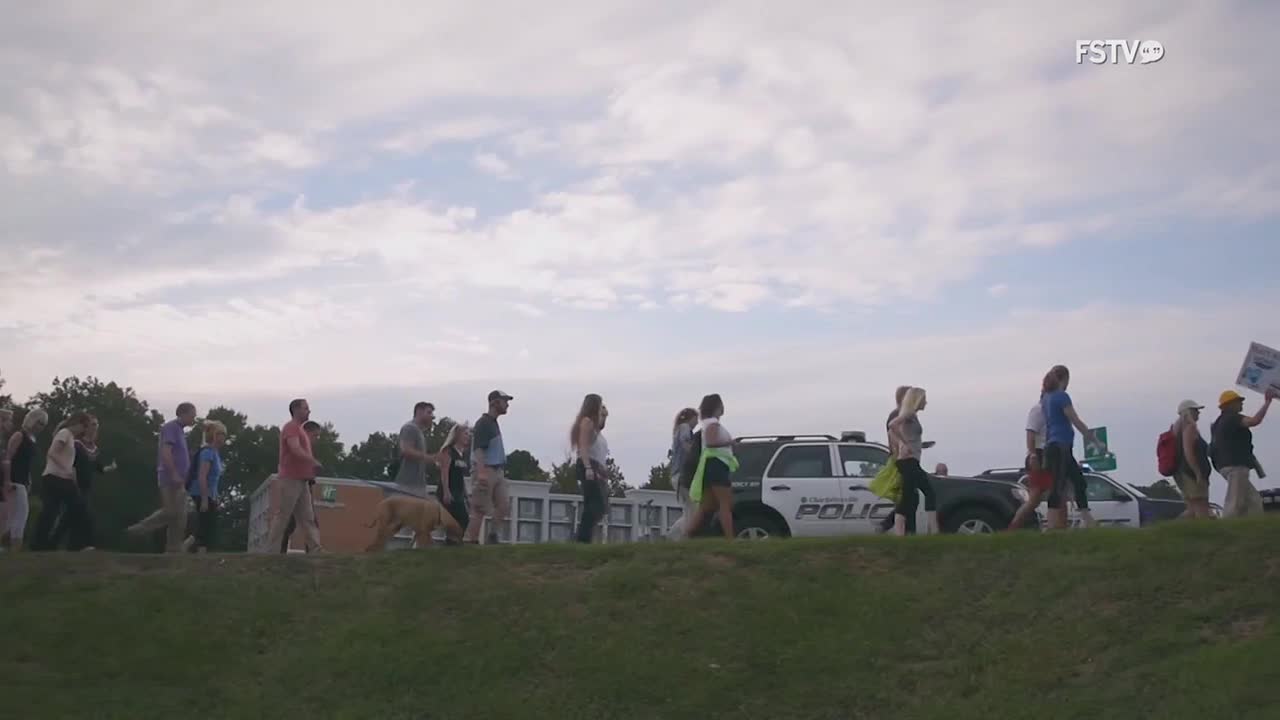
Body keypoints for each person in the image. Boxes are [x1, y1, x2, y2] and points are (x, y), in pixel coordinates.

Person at [127, 402, 198, 552]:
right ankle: (140, 528)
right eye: (192, 415)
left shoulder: (180, 431)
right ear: (183, 414)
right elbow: (166, 453)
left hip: (180, 479)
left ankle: (173, 549)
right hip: (169, 477)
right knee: (172, 512)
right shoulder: (171, 428)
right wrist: (174, 473)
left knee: (179, 516)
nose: (194, 419)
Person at [1040, 365, 1102, 530]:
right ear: (1065, 379)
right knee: (1057, 486)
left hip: (1058, 447)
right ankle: (1050, 527)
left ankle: (1088, 521)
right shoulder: (1061, 396)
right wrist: (1095, 440)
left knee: (1079, 481)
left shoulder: (1045, 398)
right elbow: (1075, 420)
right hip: (1060, 446)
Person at [265, 399, 324, 553]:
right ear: (296, 410)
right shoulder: (291, 428)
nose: (309, 411)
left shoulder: (300, 430)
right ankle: (272, 550)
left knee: (307, 517)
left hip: (302, 480)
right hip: (290, 479)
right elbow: (295, 449)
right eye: (306, 408)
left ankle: (315, 549)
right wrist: (313, 461)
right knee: (283, 515)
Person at [31, 413, 94, 551]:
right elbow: (52, 453)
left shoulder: (70, 437)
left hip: (62, 478)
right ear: (77, 423)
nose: (84, 430)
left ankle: (45, 544)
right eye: (84, 426)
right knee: (74, 508)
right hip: (55, 477)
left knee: (54, 511)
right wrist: (67, 468)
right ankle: (78, 544)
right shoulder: (64, 433)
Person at [51, 416, 115, 550]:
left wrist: (111, 468)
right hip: (74, 484)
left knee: (70, 517)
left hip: (86, 487)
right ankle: (85, 544)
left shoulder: (94, 448)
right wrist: (72, 479)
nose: (95, 427)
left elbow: (98, 468)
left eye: (97, 424)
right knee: (84, 515)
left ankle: (57, 544)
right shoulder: (77, 444)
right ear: (85, 427)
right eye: (92, 424)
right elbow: (71, 462)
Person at [1211, 389, 1275, 518]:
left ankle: (1255, 525)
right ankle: (1228, 526)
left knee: (1254, 500)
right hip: (1236, 466)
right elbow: (1254, 421)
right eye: (1238, 401)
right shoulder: (1233, 418)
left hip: (1225, 465)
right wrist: (1267, 402)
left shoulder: (1218, 422)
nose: (1241, 403)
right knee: (1235, 502)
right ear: (1229, 404)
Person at [682, 394, 738, 540]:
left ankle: (687, 535)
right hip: (717, 464)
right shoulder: (713, 423)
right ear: (717, 407)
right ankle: (730, 539)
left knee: (706, 506)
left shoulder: (707, 423)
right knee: (725, 504)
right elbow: (711, 442)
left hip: (711, 465)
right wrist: (729, 443)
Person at [888, 387, 939, 536]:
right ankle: (933, 529)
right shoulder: (909, 414)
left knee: (908, 497)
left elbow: (898, 433)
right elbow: (892, 425)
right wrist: (904, 443)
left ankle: (901, 533)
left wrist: (916, 445)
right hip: (908, 461)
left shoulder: (912, 415)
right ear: (917, 400)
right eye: (924, 399)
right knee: (928, 492)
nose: (926, 402)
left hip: (909, 460)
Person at [465, 390, 513, 545]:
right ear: (494, 402)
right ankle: (471, 541)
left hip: (498, 470)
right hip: (486, 469)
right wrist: (481, 472)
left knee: (504, 505)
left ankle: (493, 535)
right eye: (504, 401)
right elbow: (478, 449)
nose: (507, 405)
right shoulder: (484, 423)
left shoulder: (493, 423)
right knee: (479, 508)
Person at [3, 408, 47, 550]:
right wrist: (7, 480)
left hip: (23, 480)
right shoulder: (19, 435)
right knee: (20, 515)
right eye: (40, 423)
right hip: (14, 479)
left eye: (43, 425)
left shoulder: (33, 439)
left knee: (14, 516)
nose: (41, 427)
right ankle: (16, 548)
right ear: (32, 420)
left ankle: (12, 547)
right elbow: (8, 458)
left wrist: (29, 480)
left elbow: (27, 463)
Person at [1008, 395, 1053, 531]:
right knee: (1035, 498)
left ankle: (1054, 526)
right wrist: (1033, 455)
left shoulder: (1051, 412)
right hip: (1039, 454)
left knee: (1047, 495)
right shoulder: (1038, 410)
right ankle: (1013, 527)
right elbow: (1030, 434)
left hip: (1049, 453)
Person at [279, 420, 323, 553]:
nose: (317, 439)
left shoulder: (307, 449)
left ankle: (313, 550)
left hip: (305, 485)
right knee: (289, 521)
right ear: (306, 433)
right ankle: (279, 550)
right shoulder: (299, 448)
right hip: (295, 485)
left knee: (306, 521)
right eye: (315, 435)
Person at [571, 395, 609, 544]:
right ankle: (582, 538)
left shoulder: (594, 426)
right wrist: (588, 467)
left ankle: (584, 538)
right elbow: (583, 446)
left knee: (597, 504)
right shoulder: (586, 422)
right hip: (588, 464)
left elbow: (600, 427)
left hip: (596, 466)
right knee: (595, 504)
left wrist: (604, 416)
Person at [188, 420, 227, 553]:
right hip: (201, 493)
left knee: (208, 525)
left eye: (224, 435)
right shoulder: (207, 452)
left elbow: (214, 479)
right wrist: (205, 499)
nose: (223, 438)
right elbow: (202, 476)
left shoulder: (215, 453)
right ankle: (199, 552)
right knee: (206, 525)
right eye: (220, 434)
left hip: (211, 494)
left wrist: (215, 497)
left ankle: (193, 548)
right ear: (214, 435)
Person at [1170, 400, 1213, 520]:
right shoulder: (1189, 428)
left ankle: (1173, 527)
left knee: (1192, 509)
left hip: (1183, 472)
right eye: (1195, 410)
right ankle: (1204, 529)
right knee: (1201, 507)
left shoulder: (1178, 429)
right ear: (1187, 412)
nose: (1198, 413)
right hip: (1191, 473)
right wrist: (1197, 472)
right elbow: (1188, 452)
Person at [435, 423, 472, 543]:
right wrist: (446, 492)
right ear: (457, 435)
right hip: (449, 491)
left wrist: (466, 496)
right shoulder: (448, 451)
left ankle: (453, 542)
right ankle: (452, 541)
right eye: (465, 434)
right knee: (461, 518)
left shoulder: (462, 454)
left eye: (469, 434)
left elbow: (460, 477)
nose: (468, 436)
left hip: (458, 492)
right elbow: (444, 472)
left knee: (462, 519)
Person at [665, 408, 699, 540]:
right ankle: (683, 535)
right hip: (682, 474)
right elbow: (685, 443)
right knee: (692, 508)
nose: (697, 422)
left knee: (688, 508)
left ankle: (672, 536)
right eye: (696, 419)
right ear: (691, 418)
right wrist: (695, 454)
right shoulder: (685, 427)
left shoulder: (678, 429)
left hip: (676, 474)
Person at [395, 402, 436, 493]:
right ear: (419, 412)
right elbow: (406, 450)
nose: (432, 417)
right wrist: (430, 458)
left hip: (417, 485)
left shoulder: (419, 432)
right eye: (429, 413)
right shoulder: (410, 428)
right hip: (407, 485)